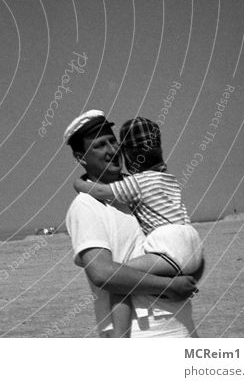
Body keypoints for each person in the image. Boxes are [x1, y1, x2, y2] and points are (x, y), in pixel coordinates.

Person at [63, 110, 199, 337]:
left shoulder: (139, 187)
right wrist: (170, 286)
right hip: (143, 330)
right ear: (81, 157)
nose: (112, 150)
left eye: (112, 141)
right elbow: (102, 273)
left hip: (180, 321)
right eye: (99, 146)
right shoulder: (86, 206)